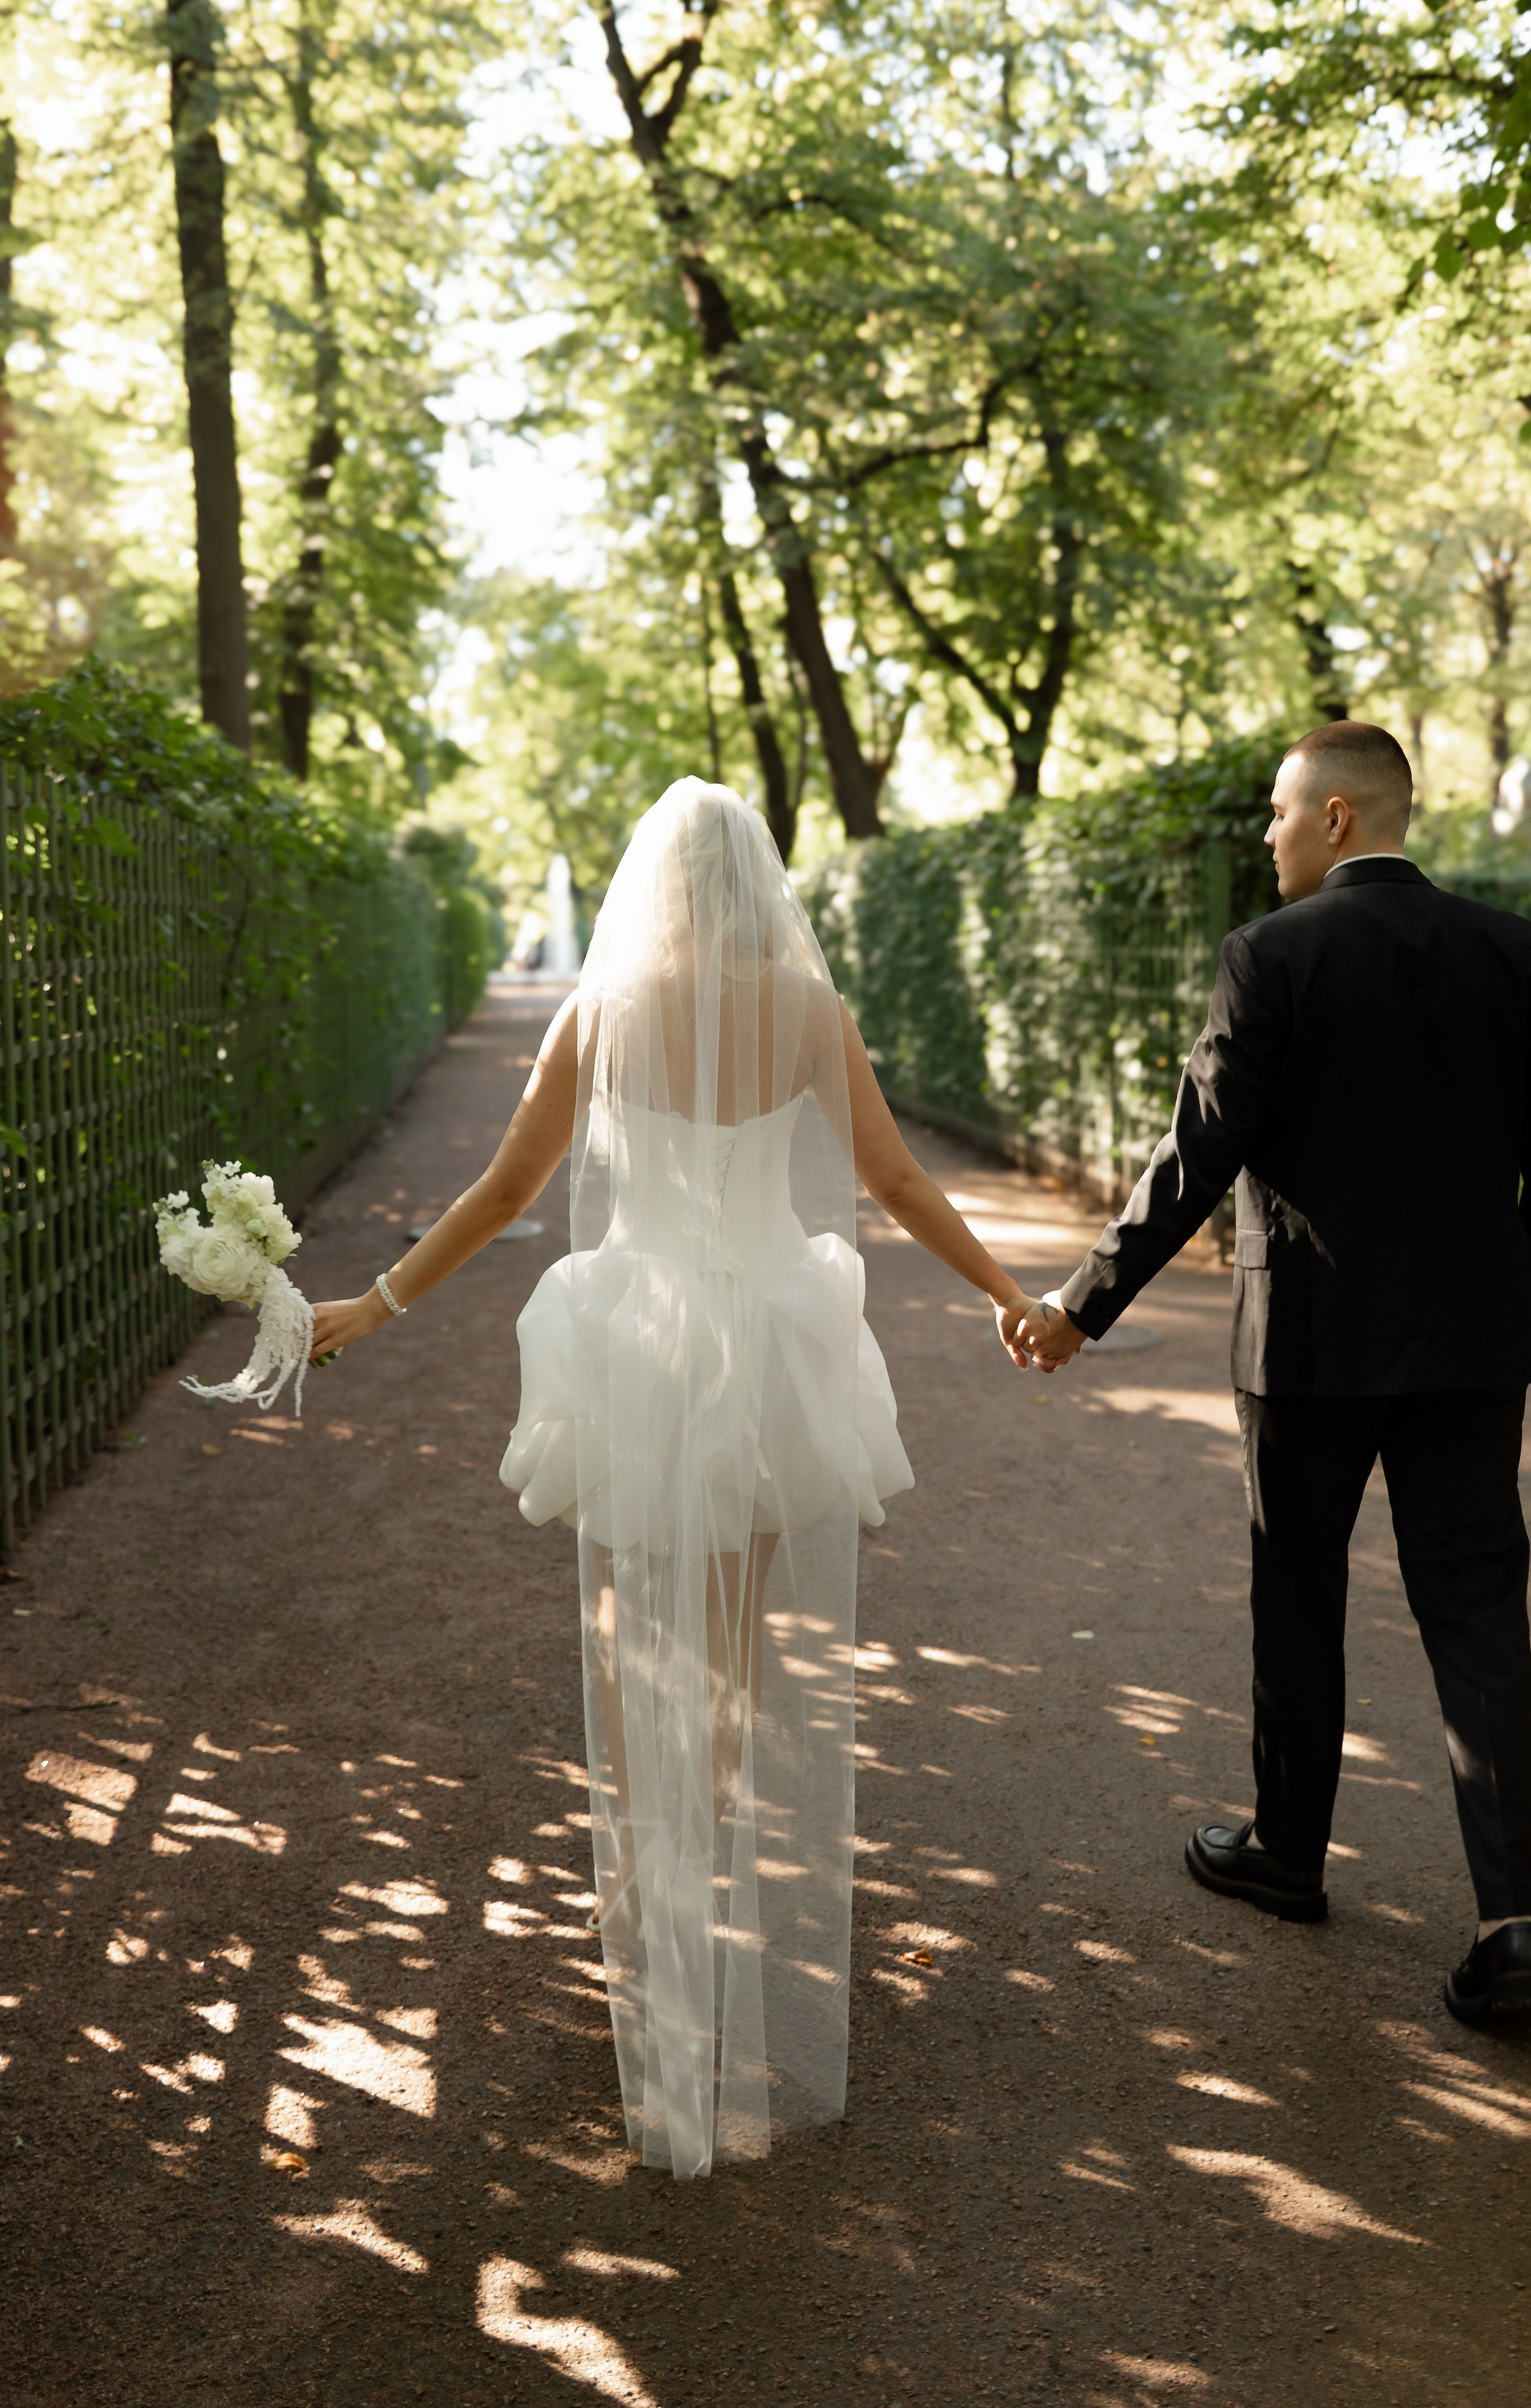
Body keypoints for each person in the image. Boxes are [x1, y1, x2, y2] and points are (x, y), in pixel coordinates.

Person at [310, 780, 1032, 2176]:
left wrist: (375, 1304)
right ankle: (689, 1905)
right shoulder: (807, 1008)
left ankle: (648, 1923)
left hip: (637, 1345)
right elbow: (890, 1176)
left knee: (627, 1633)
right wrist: (1008, 1291)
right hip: (767, 1344)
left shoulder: (607, 1006)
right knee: (727, 1652)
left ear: (656, 881)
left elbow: (512, 1193)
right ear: (759, 879)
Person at [1017, 723, 1531, 2026]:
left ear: (1337, 818)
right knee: (1477, 1610)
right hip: (1469, 1348)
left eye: (1279, 813)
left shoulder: (1268, 957)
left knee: (1299, 1586)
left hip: (1310, 1345)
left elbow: (1198, 1159)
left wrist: (1080, 1306)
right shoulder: (1512, 951)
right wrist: (1515, 1309)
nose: (1266, 835)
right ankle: (1511, 1924)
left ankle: (1289, 1856)